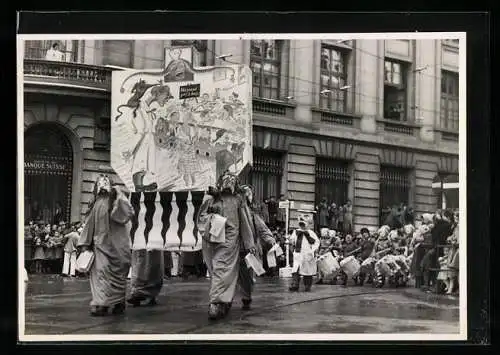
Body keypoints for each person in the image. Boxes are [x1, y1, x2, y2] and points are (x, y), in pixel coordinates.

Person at [196, 172, 255, 320]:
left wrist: (249, 243)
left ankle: (216, 302)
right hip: (211, 241)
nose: (228, 182)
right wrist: (211, 217)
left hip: (229, 242)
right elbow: (201, 218)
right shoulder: (210, 199)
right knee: (217, 270)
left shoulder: (238, 200)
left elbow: (244, 222)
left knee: (221, 269)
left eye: (232, 180)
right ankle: (223, 301)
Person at [77, 175, 134, 317]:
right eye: (100, 182)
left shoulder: (116, 199)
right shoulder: (96, 203)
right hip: (99, 246)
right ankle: (100, 303)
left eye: (105, 181)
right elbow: (89, 224)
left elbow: (125, 214)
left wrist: (117, 193)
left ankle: (118, 302)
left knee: (117, 275)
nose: (102, 184)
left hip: (117, 246)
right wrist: (85, 243)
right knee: (101, 274)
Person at [238, 185, 277, 310]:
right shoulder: (231, 212)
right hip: (232, 250)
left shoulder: (252, 214)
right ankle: (223, 301)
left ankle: (246, 297)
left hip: (249, 251)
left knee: (247, 278)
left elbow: (263, 230)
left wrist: (271, 241)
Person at [289, 219, 320, 292]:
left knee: (307, 271)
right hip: (298, 253)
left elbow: (316, 242)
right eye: (301, 225)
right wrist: (292, 249)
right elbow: (291, 241)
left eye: (303, 224)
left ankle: (307, 286)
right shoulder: (296, 232)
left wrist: (312, 251)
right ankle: (295, 284)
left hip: (307, 254)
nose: (302, 226)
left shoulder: (311, 233)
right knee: (296, 269)